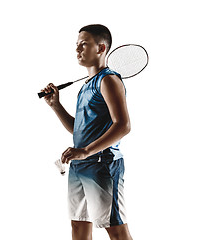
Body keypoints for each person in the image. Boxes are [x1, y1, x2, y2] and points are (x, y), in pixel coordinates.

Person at [41, 24, 133, 240]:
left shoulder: (108, 80)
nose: (77, 50)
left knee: (116, 230)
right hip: (80, 166)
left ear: (101, 48)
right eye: (76, 45)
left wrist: (85, 151)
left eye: (84, 44)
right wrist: (56, 106)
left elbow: (123, 126)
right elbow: (79, 130)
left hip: (102, 164)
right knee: (79, 227)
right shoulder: (85, 85)